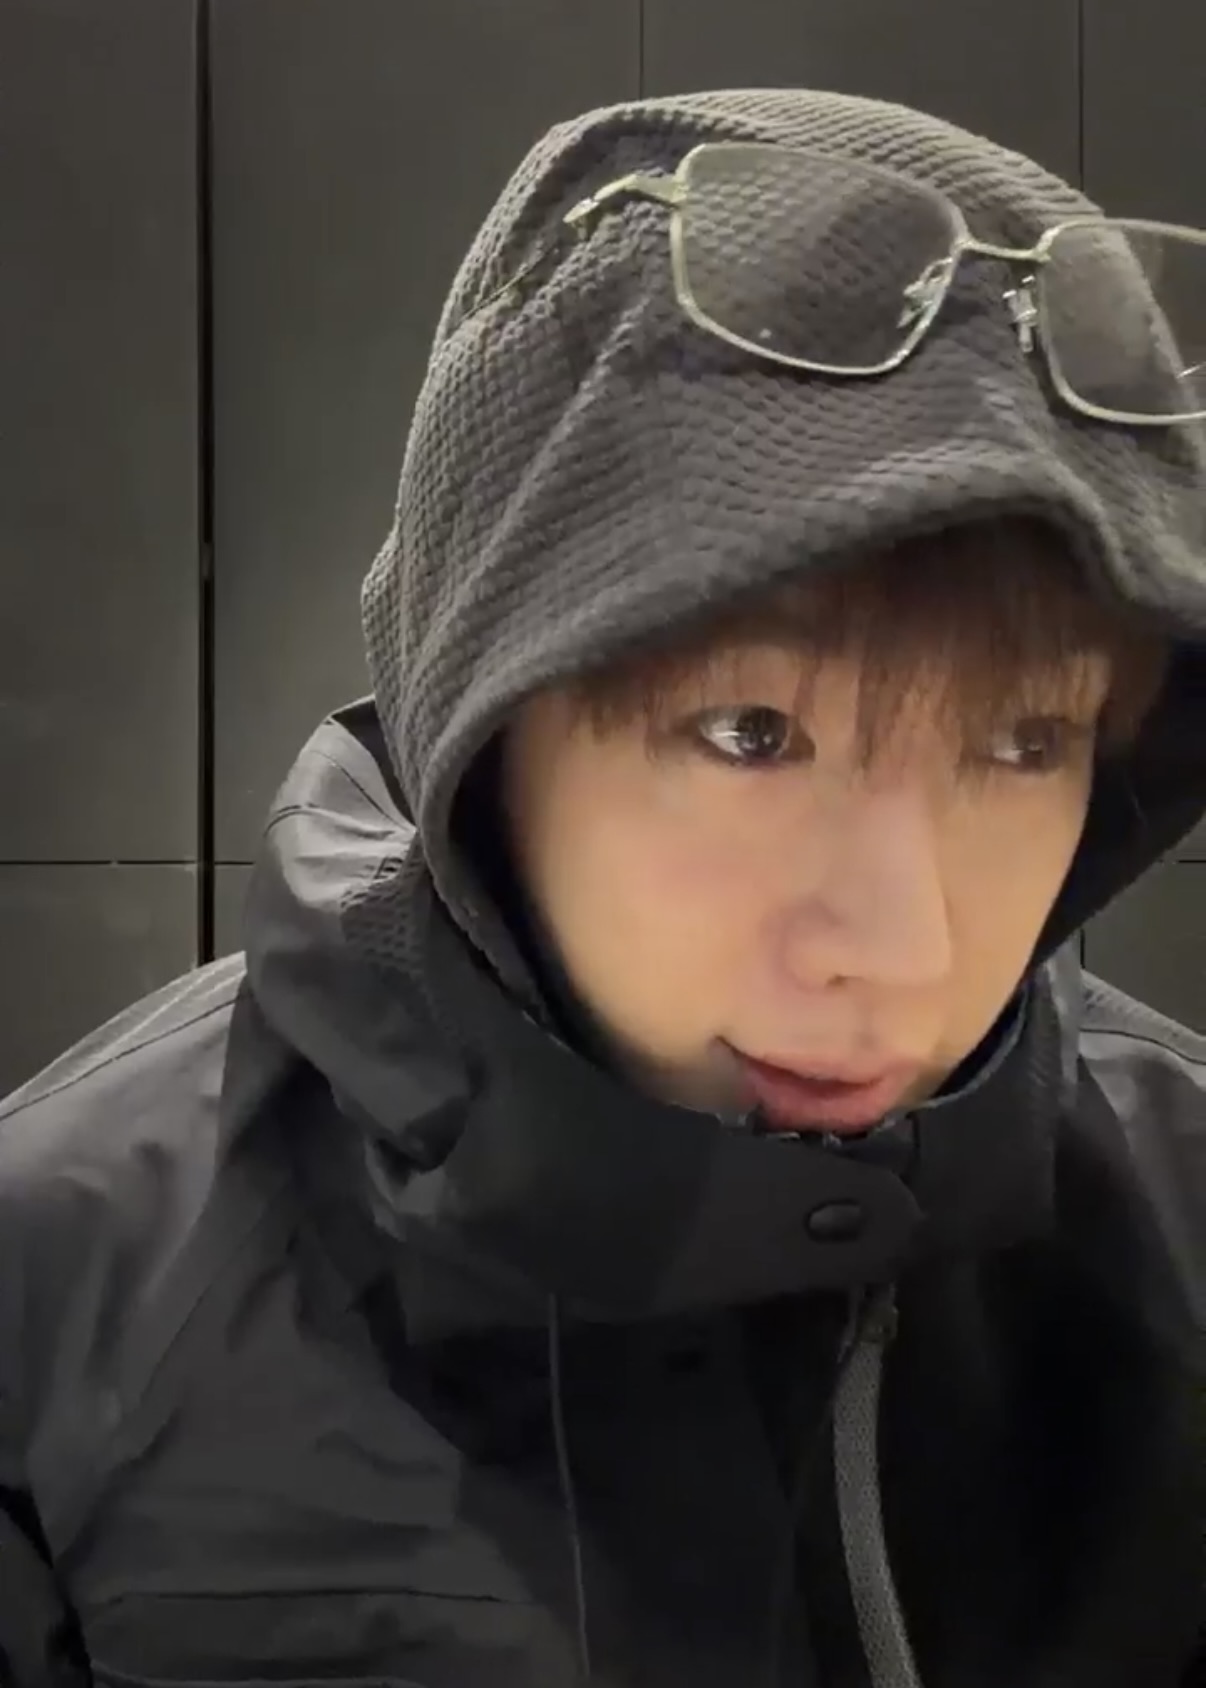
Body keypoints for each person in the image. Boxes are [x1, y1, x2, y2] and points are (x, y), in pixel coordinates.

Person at [2, 87, 1205, 1688]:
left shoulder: (1179, 1217)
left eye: (1023, 742)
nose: (904, 948)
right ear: (485, 721)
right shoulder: (63, 1282)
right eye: (749, 733)